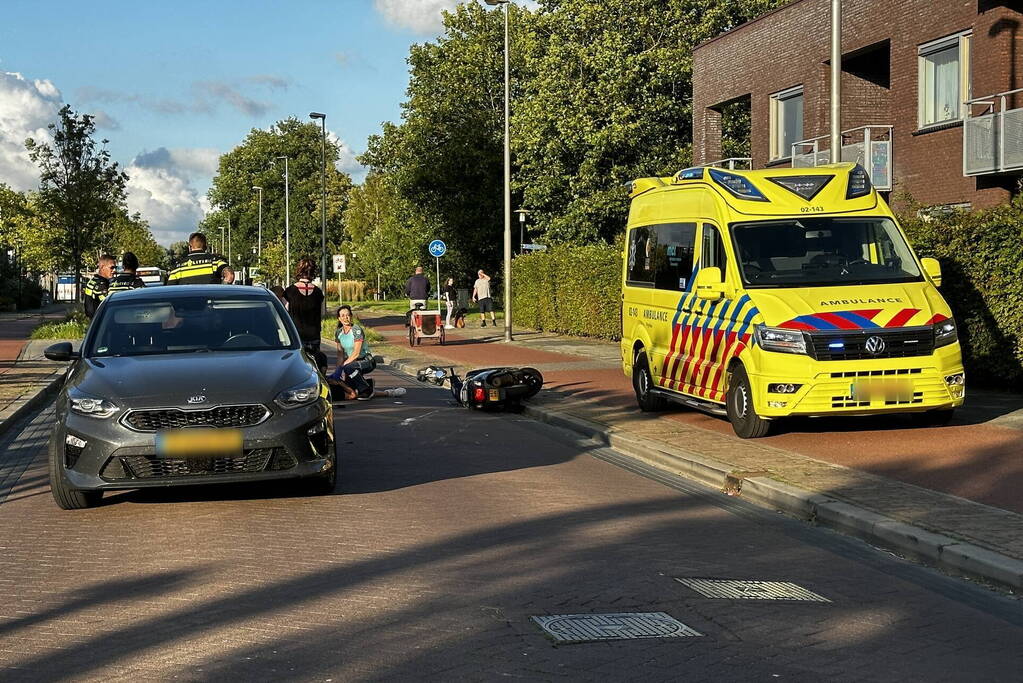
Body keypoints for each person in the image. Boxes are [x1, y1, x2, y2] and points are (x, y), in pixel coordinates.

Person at [327, 305, 405, 400]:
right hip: (352, 364)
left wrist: (343, 366)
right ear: (339, 318)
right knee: (354, 392)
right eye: (342, 315)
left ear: (351, 316)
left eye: (348, 315)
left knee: (349, 369)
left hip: (366, 361)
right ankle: (388, 392)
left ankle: (367, 390)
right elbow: (340, 354)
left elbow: (356, 353)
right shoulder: (339, 333)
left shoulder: (356, 330)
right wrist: (337, 371)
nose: (345, 318)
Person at [283, 257, 325, 354]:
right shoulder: (318, 292)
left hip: (296, 335)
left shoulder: (289, 291)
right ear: (313, 272)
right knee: (314, 361)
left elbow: (285, 313)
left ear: (299, 271)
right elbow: (321, 313)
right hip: (314, 335)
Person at [167, 232, 234, 285]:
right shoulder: (215, 262)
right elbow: (230, 275)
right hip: (211, 298)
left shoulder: (178, 267)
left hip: (186, 299)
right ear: (205, 247)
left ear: (189, 247)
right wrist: (220, 291)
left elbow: (170, 290)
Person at [82, 254, 115, 319]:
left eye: (115, 267)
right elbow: (109, 305)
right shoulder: (101, 285)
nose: (114, 270)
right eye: (111, 267)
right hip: (100, 320)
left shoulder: (93, 280)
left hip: (93, 320)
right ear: (102, 267)